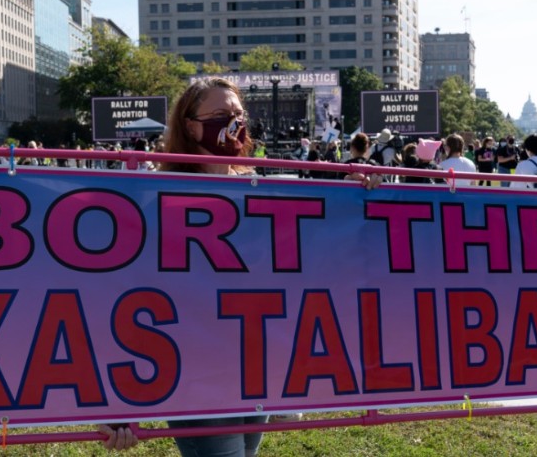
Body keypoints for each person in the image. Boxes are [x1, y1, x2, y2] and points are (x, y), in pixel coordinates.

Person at [101, 77, 377, 455]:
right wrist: (115, 403)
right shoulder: (155, 194)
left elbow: (307, 251)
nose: (232, 124)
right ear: (189, 125)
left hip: (252, 364)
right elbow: (118, 290)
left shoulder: (254, 187)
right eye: (220, 115)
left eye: (237, 115)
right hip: (194, 370)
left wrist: (353, 193)